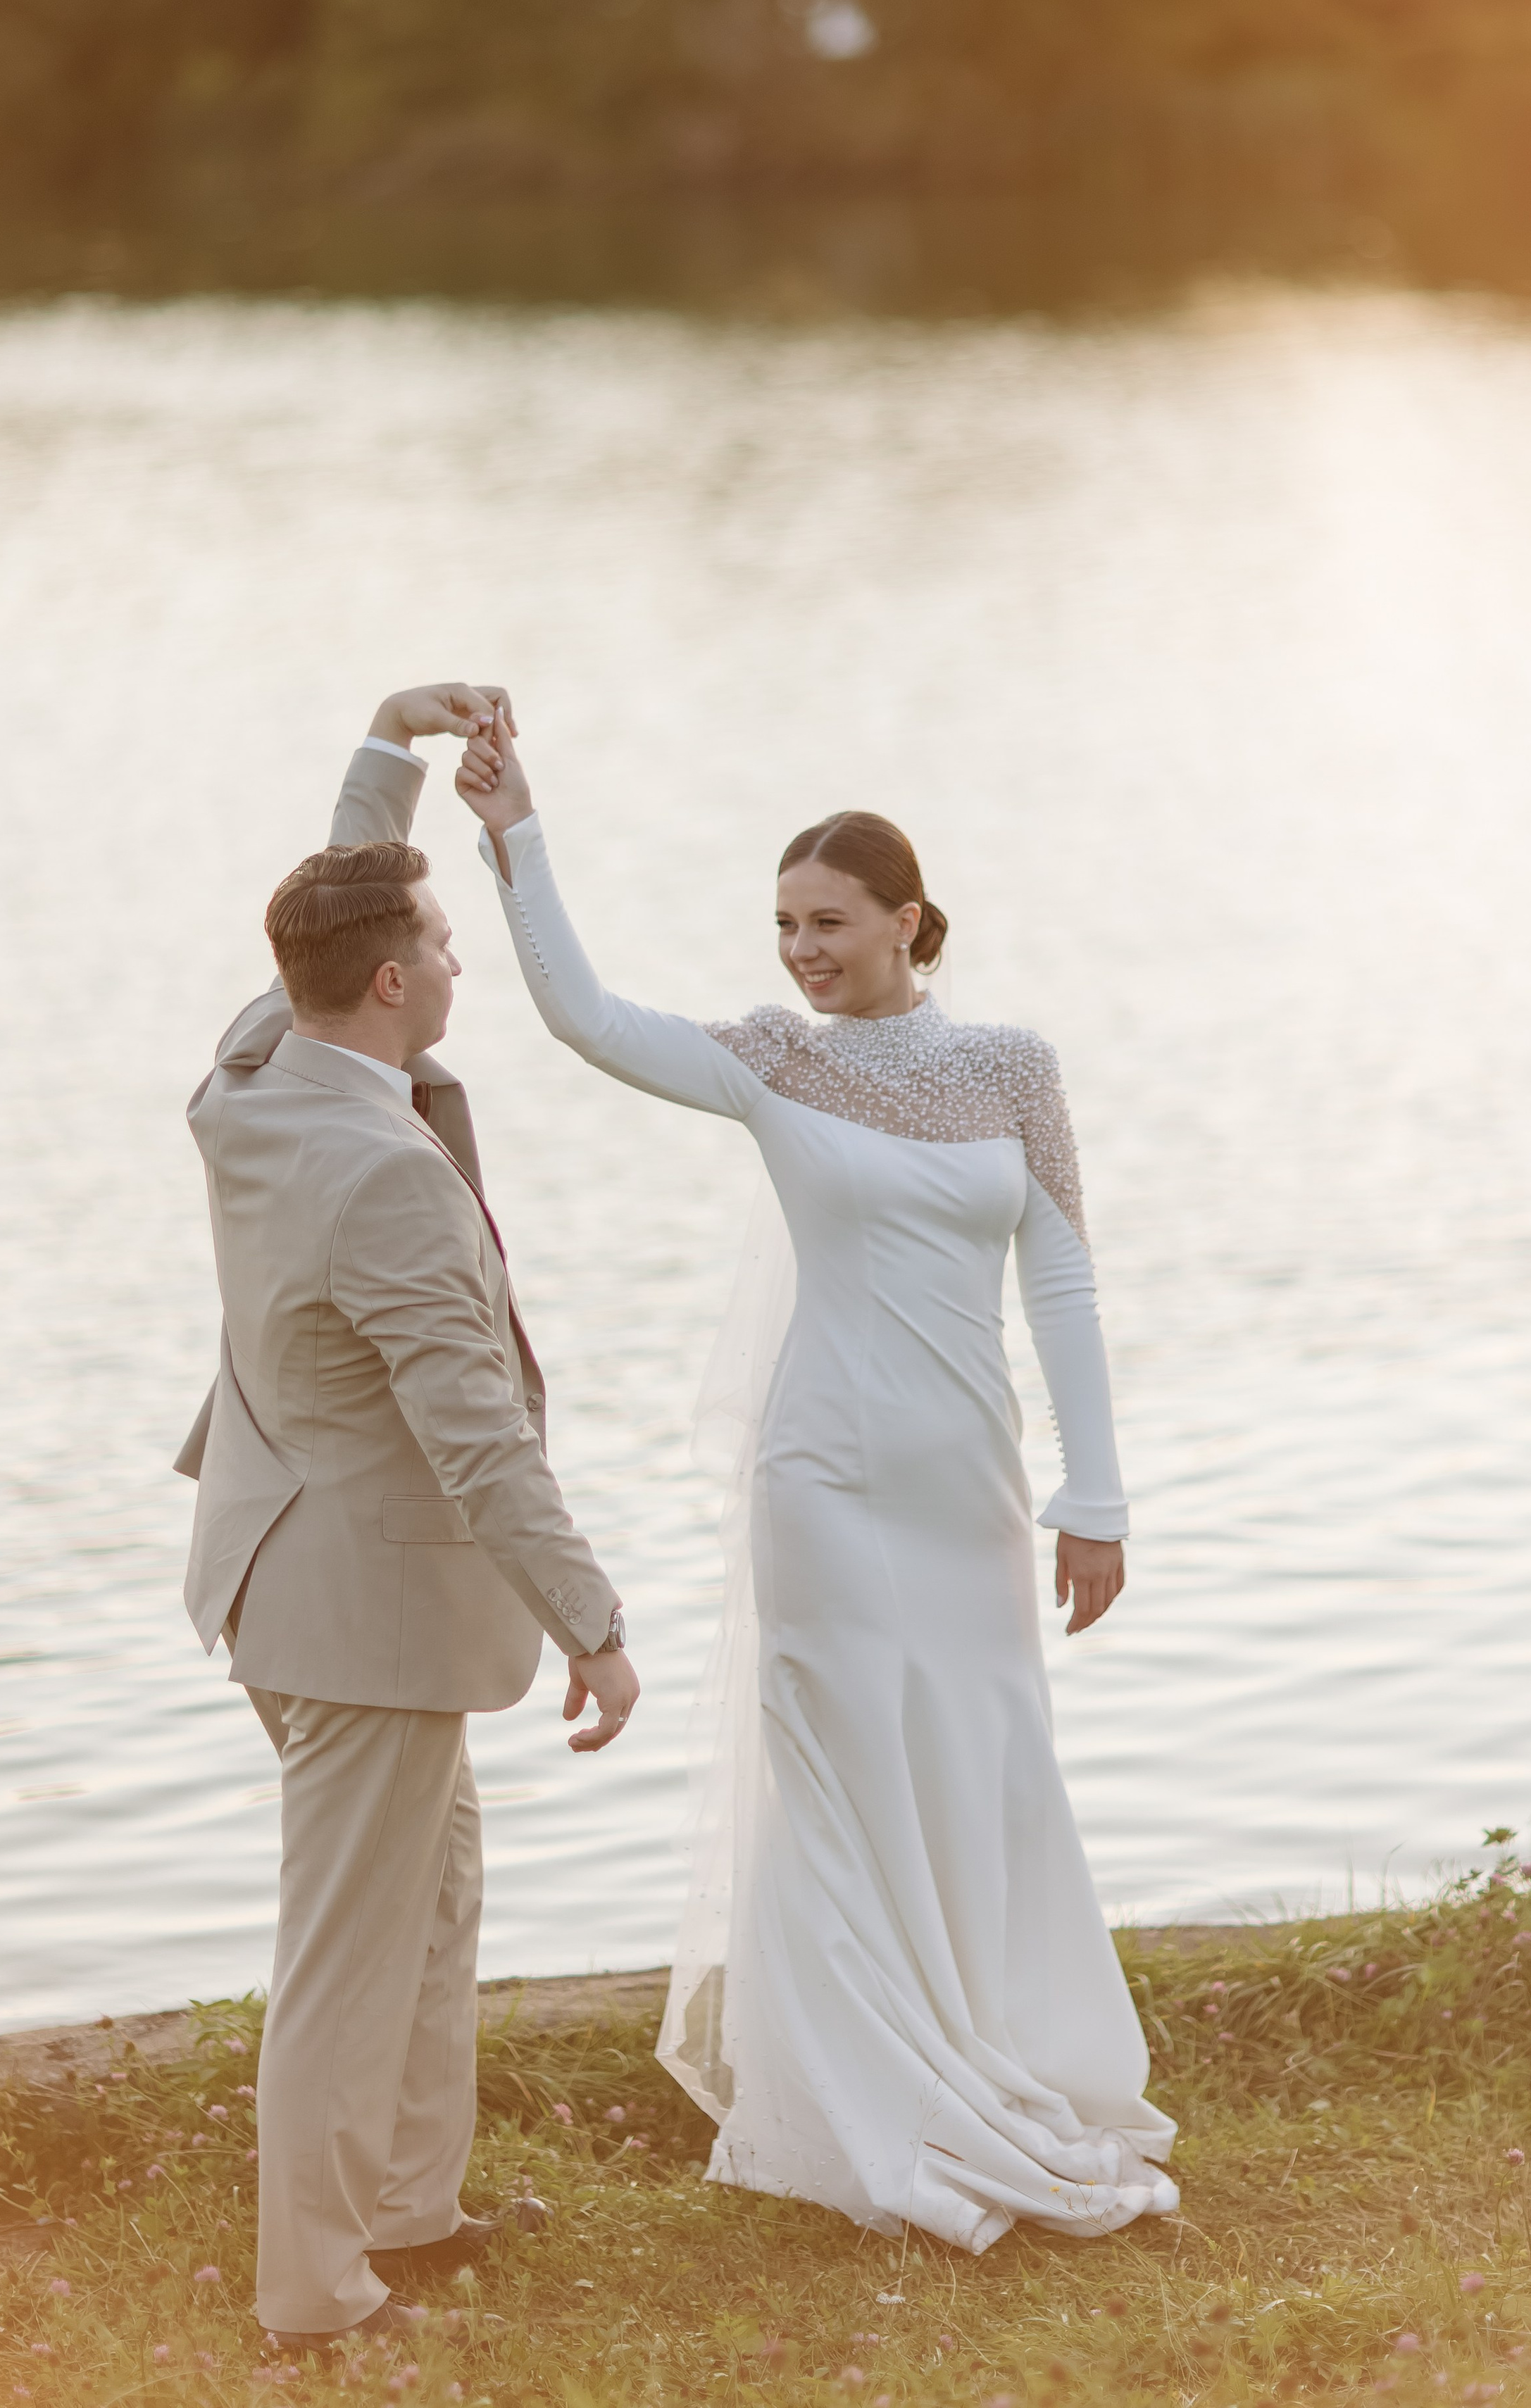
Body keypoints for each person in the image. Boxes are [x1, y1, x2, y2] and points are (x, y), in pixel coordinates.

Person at [453, 717, 1176, 2252]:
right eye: (783, 927)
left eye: (827, 924)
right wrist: (518, 834)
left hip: (969, 1489)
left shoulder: (1010, 1070)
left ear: (906, 921)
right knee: (842, 1777)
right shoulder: (774, 1061)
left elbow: (1062, 1285)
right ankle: (869, 2105)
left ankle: (996, 2051)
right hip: (822, 1483)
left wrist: (1093, 1494)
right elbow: (583, 1016)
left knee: (980, 1762)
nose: (800, 952)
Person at [175, 684, 640, 2352]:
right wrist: (591, 1622)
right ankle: (314, 2295)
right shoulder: (381, 1178)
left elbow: (335, 896)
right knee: (353, 1958)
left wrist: (389, 746)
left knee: (435, 1904)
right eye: (440, 938)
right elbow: (474, 1442)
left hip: (288, 1566)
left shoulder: (253, 1067)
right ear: (390, 980)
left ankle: (406, 2215)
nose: (457, 960)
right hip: (351, 1612)